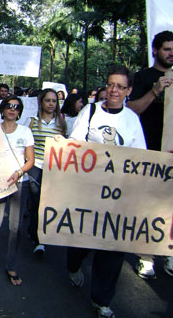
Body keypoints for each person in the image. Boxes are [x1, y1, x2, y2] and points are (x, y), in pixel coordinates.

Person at [65, 65, 146, 318]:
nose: (114, 90)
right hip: (88, 192)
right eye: (111, 84)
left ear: (128, 91)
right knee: (81, 238)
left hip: (118, 196)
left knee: (112, 246)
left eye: (121, 86)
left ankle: (101, 299)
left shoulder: (132, 120)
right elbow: (74, 146)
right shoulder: (89, 112)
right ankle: (73, 264)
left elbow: (140, 157)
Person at [126, 30, 173, 279]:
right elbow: (131, 110)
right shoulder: (143, 77)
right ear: (155, 50)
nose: (171, 53)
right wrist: (155, 91)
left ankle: (169, 251)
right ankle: (146, 255)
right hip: (149, 153)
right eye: (167, 48)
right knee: (148, 206)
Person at [0, 96, 34, 286]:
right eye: (9, 106)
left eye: (16, 107)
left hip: (20, 183)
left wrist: (19, 173)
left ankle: (11, 265)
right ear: (2, 109)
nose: (12, 109)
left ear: (20, 112)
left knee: (15, 228)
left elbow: (30, 161)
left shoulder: (26, 132)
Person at [27, 88, 66, 256]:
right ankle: (38, 241)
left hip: (53, 171)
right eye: (48, 100)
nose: (51, 103)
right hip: (35, 168)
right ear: (41, 102)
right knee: (37, 203)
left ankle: (37, 232)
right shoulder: (32, 121)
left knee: (47, 205)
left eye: (54, 101)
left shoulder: (62, 123)